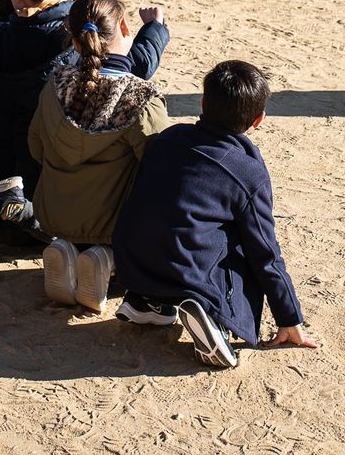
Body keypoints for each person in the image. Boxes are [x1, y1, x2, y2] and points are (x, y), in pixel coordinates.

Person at [112, 60, 319, 367]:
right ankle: (213, 316)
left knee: (176, 219)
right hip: (184, 272)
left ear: (203, 101)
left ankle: (146, 301)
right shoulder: (247, 172)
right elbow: (264, 251)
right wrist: (289, 317)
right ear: (258, 119)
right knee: (239, 240)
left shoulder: (167, 138)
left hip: (133, 262)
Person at [31, 0, 170, 314]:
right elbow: (159, 170)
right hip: (112, 225)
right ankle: (108, 260)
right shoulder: (141, 98)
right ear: (124, 27)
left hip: (54, 212)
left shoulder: (54, 85)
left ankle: (69, 248)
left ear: (76, 44)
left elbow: (35, 147)